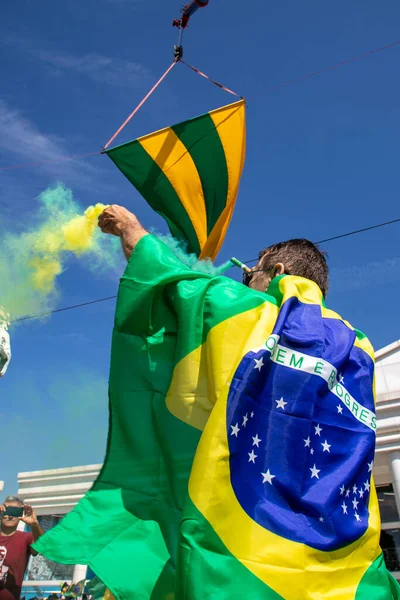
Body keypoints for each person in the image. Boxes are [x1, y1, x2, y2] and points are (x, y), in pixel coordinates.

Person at [0, 496, 43, 600]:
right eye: (7, 510)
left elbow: (42, 546)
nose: (10, 516)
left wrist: (34, 524)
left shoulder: (26, 538)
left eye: (15, 512)